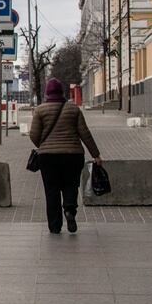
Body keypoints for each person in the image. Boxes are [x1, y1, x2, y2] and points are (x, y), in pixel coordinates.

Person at [28, 77, 102, 234]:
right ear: (61, 92)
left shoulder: (40, 110)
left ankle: (55, 226)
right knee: (71, 185)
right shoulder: (73, 109)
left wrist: (43, 146)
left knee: (51, 190)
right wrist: (96, 154)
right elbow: (85, 133)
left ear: (47, 92)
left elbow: (33, 134)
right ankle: (69, 211)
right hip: (73, 155)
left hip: (48, 157)